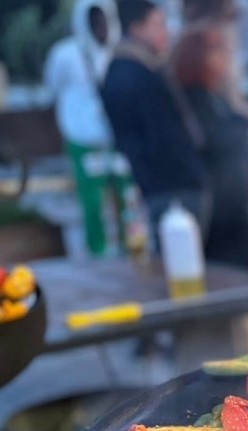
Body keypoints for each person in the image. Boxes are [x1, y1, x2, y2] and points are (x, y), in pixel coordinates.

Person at [101, 0, 208, 239]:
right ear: (136, 28)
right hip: (172, 186)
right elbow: (162, 134)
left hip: (158, 184)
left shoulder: (125, 68)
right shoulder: (138, 72)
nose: (166, 32)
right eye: (158, 24)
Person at [171, 25, 248, 270]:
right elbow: (213, 140)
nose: (225, 59)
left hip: (233, 198)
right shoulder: (192, 98)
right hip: (218, 203)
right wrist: (244, 120)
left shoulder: (214, 94)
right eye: (217, 53)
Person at [44, 0, 130, 256]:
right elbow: (53, 87)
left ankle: (131, 250)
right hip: (82, 136)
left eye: (104, 19)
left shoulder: (118, 51)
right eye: (94, 20)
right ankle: (98, 253)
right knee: (92, 201)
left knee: (127, 197)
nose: (100, 26)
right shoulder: (64, 54)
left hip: (115, 136)